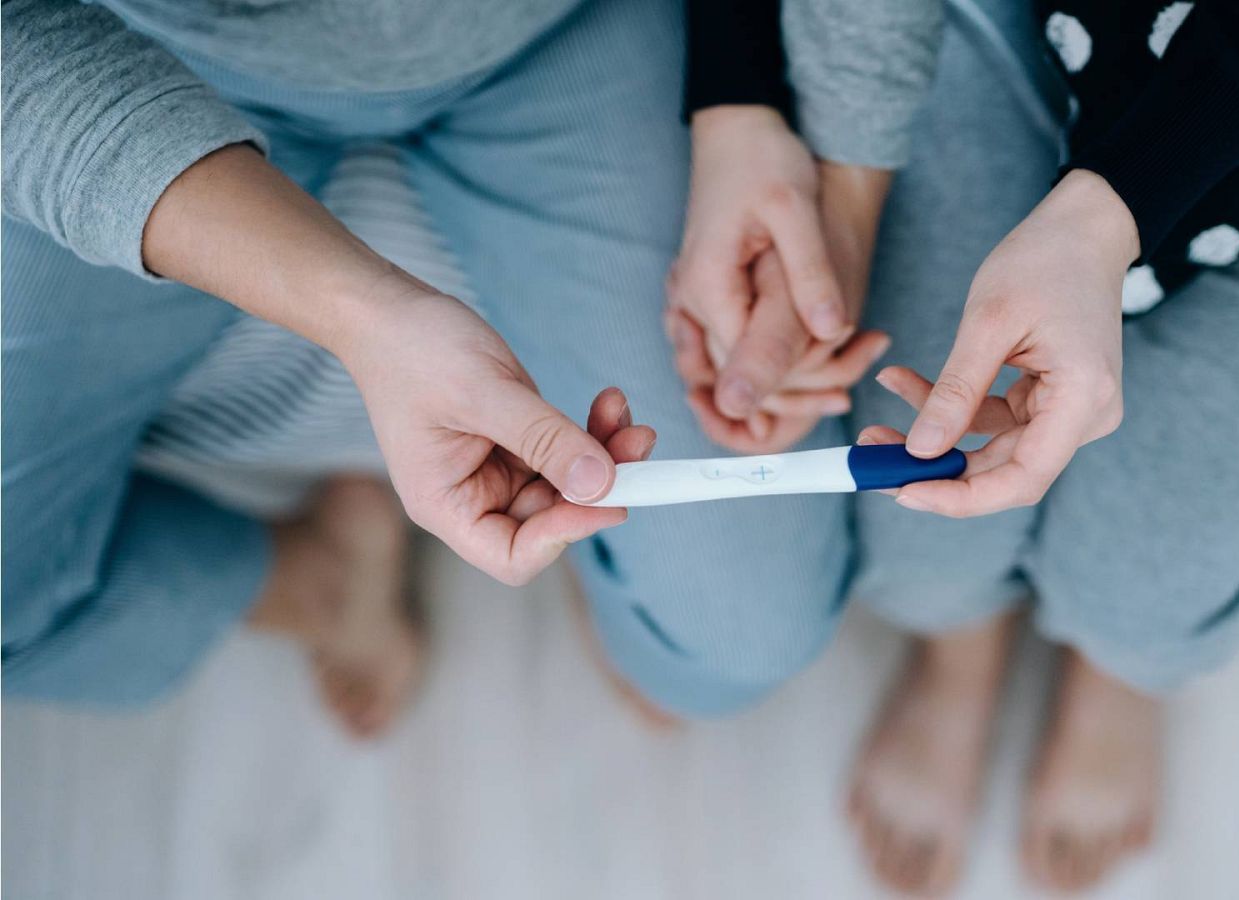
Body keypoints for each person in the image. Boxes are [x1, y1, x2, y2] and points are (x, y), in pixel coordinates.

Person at [671, 0, 1239, 893]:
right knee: (921, 542)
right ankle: (960, 653)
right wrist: (845, 200)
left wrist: (1105, 214)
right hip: (1011, 29)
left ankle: (1116, 668)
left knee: (1152, 589)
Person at [0, 0, 860, 737]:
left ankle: (601, 577)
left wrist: (736, 100)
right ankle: (325, 583)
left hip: (555, 33)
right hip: (123, 65)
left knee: (738, 641)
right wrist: (365, 315)